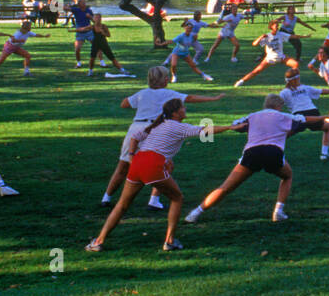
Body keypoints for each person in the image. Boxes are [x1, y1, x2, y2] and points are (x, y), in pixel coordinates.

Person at [86, 98, 240, 252]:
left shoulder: (157, 125)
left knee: (122, 204)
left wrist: (132, 156)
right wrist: (231, 127)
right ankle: (169, 241)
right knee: (177, 198)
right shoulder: (178, 127)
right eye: (182, 107)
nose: (185, 109)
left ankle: (98, 242)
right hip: (153, 164)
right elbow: (205, 130)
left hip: (138, 162)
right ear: (175, 113)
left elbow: (135, 138)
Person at [184, 94, 327, 225]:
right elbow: (304, 120)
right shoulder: (283, 115)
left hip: (252, 153)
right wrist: (326, 117)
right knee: (287, 176)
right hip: (273, 152)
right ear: (279, 106)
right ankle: (278, 211)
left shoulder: (251, 116)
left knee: (225, 187)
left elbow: (236, 125)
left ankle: (196, 212)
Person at [100, 67, 224, 209]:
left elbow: (124, 104)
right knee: (165, 164)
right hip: (156, 130)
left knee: (123, 166)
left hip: (136, 129)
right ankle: (154, 199)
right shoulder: (169, 93)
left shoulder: (142, 93)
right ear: (165, 80)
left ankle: (107, 197)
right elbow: (189, 98)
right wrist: (213, 98)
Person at [279, 66, 329, 160]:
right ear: (297, 78)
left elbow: (277, 105)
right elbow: (322, 91)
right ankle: (324, 154)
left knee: (282, 136)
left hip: (298, 116)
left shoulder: (284, 92)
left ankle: (274, 152)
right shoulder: (305, 88)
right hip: (313, 113)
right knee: (327, 127)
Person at [66, 0, 94, 68]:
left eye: (85, 2)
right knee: (77, 49)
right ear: (79, 4)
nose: (84, 3)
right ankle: (78, 63)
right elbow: (66, 8)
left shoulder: (89, 10)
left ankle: (102, 62)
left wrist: (90, 17)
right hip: (80, 33)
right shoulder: (76, 10)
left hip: (89, 32)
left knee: (97, 46)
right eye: (82, 2)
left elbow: (94, 21)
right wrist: (57, 4)